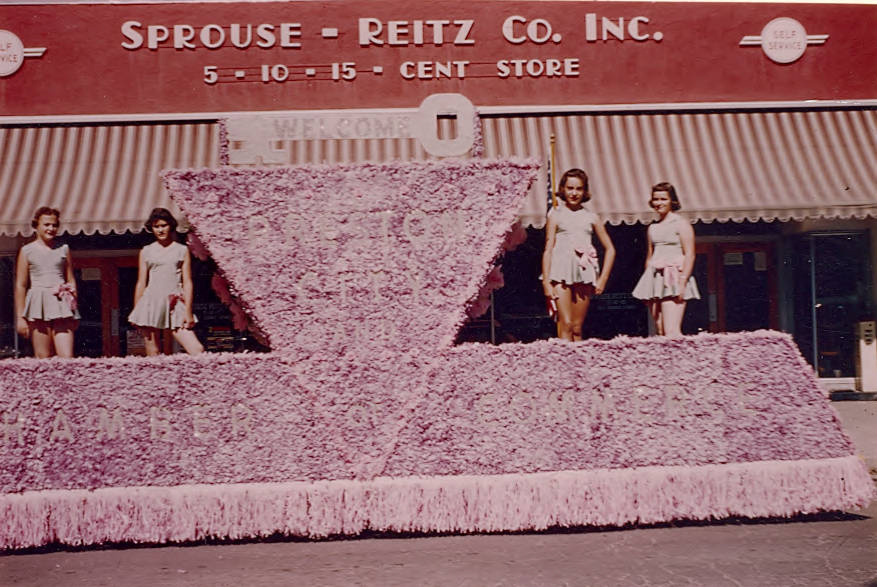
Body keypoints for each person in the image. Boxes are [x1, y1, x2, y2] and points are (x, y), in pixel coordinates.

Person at [542, 168, 615, 341]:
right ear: (563, 189)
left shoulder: (592, 217)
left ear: (584, 191)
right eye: (570, 188)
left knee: (576, 327)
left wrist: (602, 279)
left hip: (583, 272)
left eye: (578, 189)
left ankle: (579, 366)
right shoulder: (555, 215)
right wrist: (546, 281)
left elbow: (611, 249)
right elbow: (548, 248)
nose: (574, 193)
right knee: (565, 324)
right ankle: (564, 365)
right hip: (560, 272)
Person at [128, 208, 204, 356]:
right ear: (152, 228)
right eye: (156, 226)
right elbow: (141, 282)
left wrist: (188, 310)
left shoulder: (181, 250)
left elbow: (187, 282)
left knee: (197, 349)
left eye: (164, 225)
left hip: (175, 303)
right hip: (151, 303)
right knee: (153, 352)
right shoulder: (146, 251)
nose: (160, 230)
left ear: (171, 226)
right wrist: (137, 310)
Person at [632, 182, 700, 337]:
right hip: (656, 281)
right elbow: (650, 256)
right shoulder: (653, 228)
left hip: (674, 279)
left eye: (663, 199)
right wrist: (647, 285)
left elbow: (690, 254)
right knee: (660, 330)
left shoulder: (681, 224)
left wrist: (682, 282)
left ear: (672, 201)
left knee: (672, 332)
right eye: (656, 199)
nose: (659, 203)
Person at [14, 206, 79, 358]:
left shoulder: (63, 249)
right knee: (43, 358)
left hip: (62, 304)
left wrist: (74, 311)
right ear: (36, 226)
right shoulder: (26, 251)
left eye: (54, 225)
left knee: (67, 358)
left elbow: (71, 280)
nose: (51, 228)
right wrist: (20, 318)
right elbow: (21, 285)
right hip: (38, 304)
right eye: (46, 224)